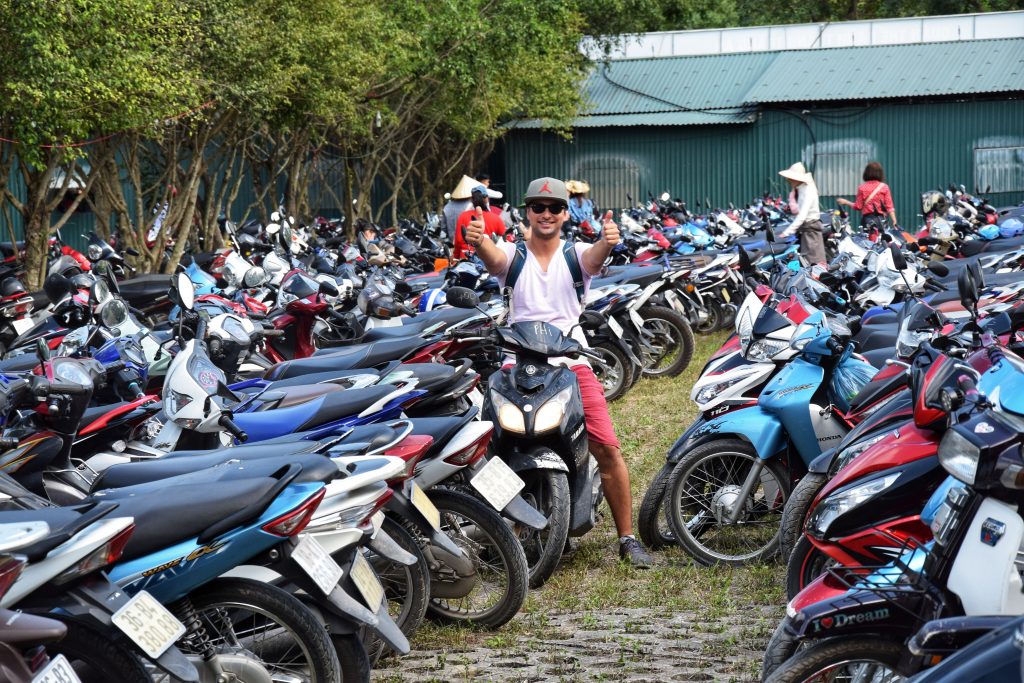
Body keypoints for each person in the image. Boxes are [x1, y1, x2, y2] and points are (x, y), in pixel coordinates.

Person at [465, 177, 654, 568]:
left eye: (554, 208)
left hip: (571, 363)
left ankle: (627, 536)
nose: (546, 214)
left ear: (566, 213)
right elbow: (492, 258)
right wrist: (479, 240)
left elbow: (596, 257)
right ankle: (503, 528)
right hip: (516, 365)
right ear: (527, 212)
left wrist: (609, 241)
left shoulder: (577, 255)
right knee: (491, 447)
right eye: (538, 207)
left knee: (606, 446)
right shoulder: (512, 256)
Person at [778, 162, 827, 265]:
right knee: (807, 262)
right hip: (807, 229)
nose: (789, 181)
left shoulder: (807, 190)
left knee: (814, 263)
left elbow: (802, 215)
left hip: (811, 229)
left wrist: (786, 232)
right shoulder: (802, 189)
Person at [836, 161, 897, 232]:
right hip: (881, 221)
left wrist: (846, 202)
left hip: (867, 221)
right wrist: (894, 221)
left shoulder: (862, 188)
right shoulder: (884, 187)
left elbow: (858, 206)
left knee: (868, 241)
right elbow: (889, 207)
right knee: (882, 240)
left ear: (866, 173)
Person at [453, 184, 505, 259]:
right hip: (488, 259)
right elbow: (505, 239)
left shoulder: (463, 216)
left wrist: (456, 257)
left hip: (466, 259)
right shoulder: (495, 218)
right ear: (487, 199)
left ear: (472, 200)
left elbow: (458, 241)